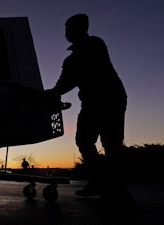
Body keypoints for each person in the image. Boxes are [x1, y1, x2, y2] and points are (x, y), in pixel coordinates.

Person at [45, 14, 131, 202]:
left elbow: (74, 76)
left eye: (71, 28)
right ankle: (99, 182)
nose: (67, 32)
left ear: (83, 28)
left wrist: (56, 90)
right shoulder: (71, 59)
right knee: (84, 141)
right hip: (91, 103)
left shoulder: (95, 44)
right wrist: (51, 93)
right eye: (66, 29)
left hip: (110, 99)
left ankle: (118, 188)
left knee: (112, 144)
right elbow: (63, 83)